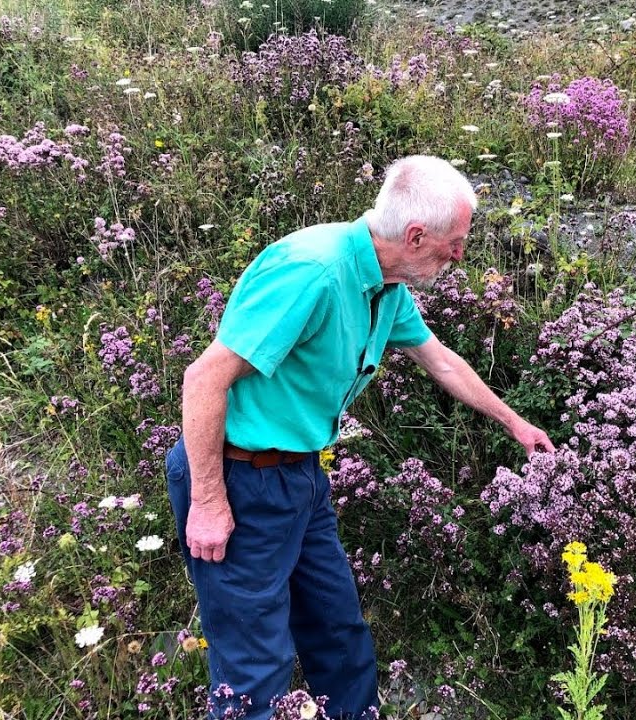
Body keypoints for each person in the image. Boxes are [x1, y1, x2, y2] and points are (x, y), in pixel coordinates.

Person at [166, 155, 553, 718]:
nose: (459, 256)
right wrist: (207, 501)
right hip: (237, 480)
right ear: (416, 236)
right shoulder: (313, 271)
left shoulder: (385, 285)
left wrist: (514, 422)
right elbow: (204, 378)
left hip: (300, 478)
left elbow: (440, 361)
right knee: (255, 670)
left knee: (339, 634)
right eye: (455, 243)